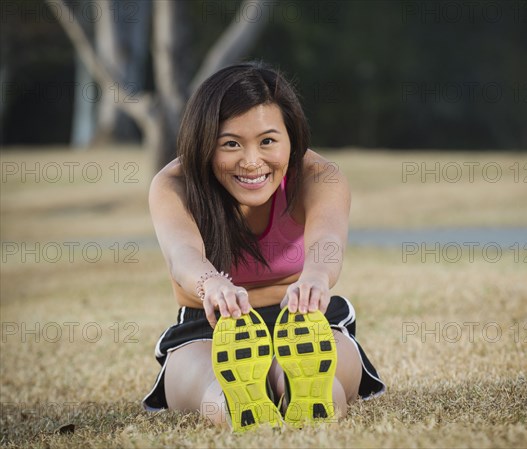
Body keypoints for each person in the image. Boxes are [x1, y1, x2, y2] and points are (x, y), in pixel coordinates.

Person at [142, 61, 385, 431]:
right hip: (214, 328)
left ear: (293, 137)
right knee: (217, 387)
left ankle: (303, 389)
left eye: (268, 141)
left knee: (315, 376)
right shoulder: (174, 185)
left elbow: (328, 241)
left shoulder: (320, 177)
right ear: (204, 142)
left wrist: (316, 278)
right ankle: (239, 397)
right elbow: (183, 255)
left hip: (304, 320)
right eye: (231, 144)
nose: (252, 162)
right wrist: (213, 284)